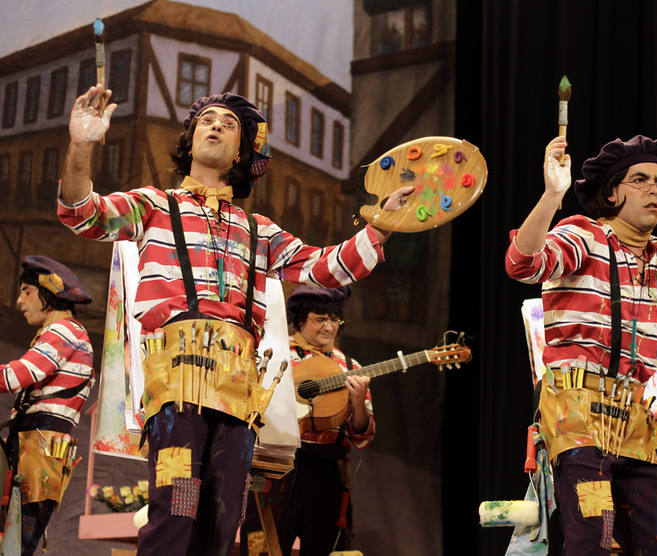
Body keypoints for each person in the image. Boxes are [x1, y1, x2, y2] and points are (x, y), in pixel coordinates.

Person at [57, 85, 411, 555]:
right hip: (177, 386)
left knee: (223, 526)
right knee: (176, 509)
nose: (216, 125)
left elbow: (327, 266)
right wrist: (81, 145)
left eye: (229, 123)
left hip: (239, 392)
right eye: (207, 119)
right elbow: (81, 213)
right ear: (190, 139)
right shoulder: (155, 206)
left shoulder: (257, 230)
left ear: (242, 152)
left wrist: (380, 226)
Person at [504, 135, 657, 555]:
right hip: (578, 414)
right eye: (640, 179)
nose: (655, 188)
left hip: (638, 419)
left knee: (655, 544)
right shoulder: (583, 235)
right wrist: (551, 196)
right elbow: (523, 263)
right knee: (596, 537)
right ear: (613, 191)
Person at [243, 285, 372, 555]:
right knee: (262, 546)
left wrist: (358, 402)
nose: (328, 326)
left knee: (324, 548)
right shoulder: (274, 354)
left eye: (335, 318)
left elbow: (361, 436)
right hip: (276, 466)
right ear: (300, 320)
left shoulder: (350, 367)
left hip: (327, 473)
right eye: (320, 318)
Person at [0, 256, 94, 555]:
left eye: (26, 291)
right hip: (36, 451)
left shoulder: (65, 331)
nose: (19, 301)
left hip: (38, 452)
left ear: (49, 292)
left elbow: (17, 375)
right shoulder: (64, 332)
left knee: (15, 544)